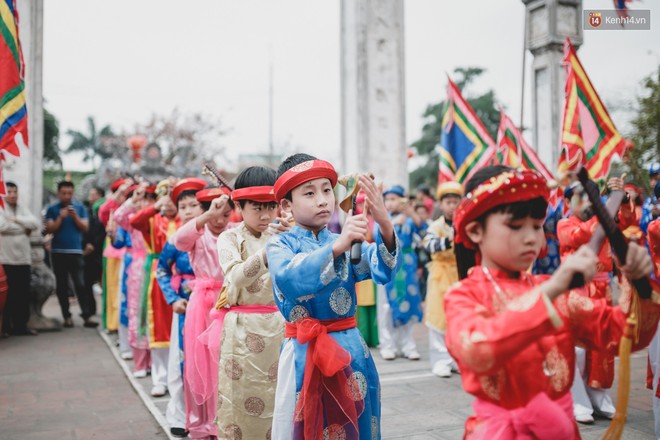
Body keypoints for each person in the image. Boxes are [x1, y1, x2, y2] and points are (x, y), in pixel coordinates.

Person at [445, 165, 660, 439]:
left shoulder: (548, 288)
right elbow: (477, 351)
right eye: (515, 226)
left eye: (536, 226)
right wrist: (553, 291)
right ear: (476, 231)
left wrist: (638, 284)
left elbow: (621, 335)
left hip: (559, 429)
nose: (531, 237)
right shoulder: (463, 295)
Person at [267, 154, 400, 439]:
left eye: (327, 190)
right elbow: (288, 278)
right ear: (286, 205)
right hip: (303, 352)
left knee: (360, 424)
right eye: (310, 193)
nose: (322, 200)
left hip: (351, 351)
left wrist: (384, 224)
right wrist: (339, 245)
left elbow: (379, 268)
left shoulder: (343, 240)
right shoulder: (280, 242)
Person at [201, 166, 286, 439]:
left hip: (281, 329)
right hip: (241, 331)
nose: (265, 215)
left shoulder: (285, 234)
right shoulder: (230, 237)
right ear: (239, 205)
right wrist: (269, 251)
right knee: (239, 402)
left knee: (281, 401)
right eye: (257, 207)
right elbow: (235, 276)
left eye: (271, 206)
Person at [557, 175, 636, 423]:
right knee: (578, 350)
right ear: (568, 201)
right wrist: (604, 209)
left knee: (602, 347)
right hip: (577, 293)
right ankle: (577, 400)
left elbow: (627, 222)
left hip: (603, 291)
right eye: (579, 197)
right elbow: (583, 234)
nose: (586, 201)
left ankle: (599, 395)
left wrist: (620, 199)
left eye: (589, 196)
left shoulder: (602, 219)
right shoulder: (564, 225)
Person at [172, 184, 234, 440]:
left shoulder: (235, 233)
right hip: (201, 306)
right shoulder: (197, 234)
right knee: (200, 365)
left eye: (225, 215)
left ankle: (225, 422)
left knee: (226, 363)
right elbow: (179, 240)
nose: (219, 221)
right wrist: (206, 216)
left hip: (228, 301)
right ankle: (202, 422)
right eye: (213, 214)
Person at [156, 177, 207, 437]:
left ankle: (208, 417)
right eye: (183, 206)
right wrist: (173, 299)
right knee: (180, 362)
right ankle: (178, 414)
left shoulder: (216, 236)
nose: (188, 210)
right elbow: (161, 270)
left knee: (209, 362)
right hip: (186, 307)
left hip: (212, 307)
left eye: (194, 205)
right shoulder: (175, 240)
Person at [130, 178, 181, 398]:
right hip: (159, 276)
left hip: (185, 278)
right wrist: (156, 206)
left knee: (180, 328)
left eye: (173, 196)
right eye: (165, 195)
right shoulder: (153, 220)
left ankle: (178, 377)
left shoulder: (185, 220)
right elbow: (134, 222)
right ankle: (160, 378)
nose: (169, 201)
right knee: (159, 327)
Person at [112, 182, 155, 377]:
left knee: (153, 313)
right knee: (136, 313)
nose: (143, 202)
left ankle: (155, 362)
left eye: (147, 198)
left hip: (154, 268)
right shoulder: (132, 220)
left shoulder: (158, 219)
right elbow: (118, 216)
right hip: (137, 270)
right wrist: (132, 199)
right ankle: (140, 363)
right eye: (141, 198)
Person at [377, 184, 423, 361]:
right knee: (387, 307)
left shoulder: (410, 219)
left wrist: (410, 213)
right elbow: (376, 236)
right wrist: (392, 223)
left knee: (408, 304)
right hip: (388, 267)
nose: (390, 203)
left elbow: (423, 229)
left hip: (407, 267)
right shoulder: (383, 219)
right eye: (387, 199)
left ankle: (408, 345)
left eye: (394, 199)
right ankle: (388, 345)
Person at [423, 181, 462, 377]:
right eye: (448, 202)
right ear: (441, 204)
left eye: (456, 201)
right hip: (440, 275)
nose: (452, 206)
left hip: (459, 275)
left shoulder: (464, 224)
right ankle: (440, 360)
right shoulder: (435, 226)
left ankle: (455, 359)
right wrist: (448, 241)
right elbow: (428, 246)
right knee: (438, 317)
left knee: (458, 318)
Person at [45, 181, 97, 328]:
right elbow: (49, 229)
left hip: (76, 251)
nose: (67, 196)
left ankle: (86, 316)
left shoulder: (80, 208)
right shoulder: (52, 209)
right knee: (61, 286)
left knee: (81, 284)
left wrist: (74, 217)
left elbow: (85, 227)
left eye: (69, 193)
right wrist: (61, 217)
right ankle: (66, 316)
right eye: (64, 193)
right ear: (58, 193)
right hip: (58, 252)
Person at [0, 182, 40, 335]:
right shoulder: (1, 208)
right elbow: (2, 226)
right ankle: (6, 327)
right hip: (6, 259)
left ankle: (21, 326)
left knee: (22, 295)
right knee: (7, 297)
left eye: (14, 191)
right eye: (9, 191)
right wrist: (24, 228)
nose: (12, 194)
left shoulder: (22, 207)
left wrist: (16, 219)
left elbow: (35, 223)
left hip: (23, 260)